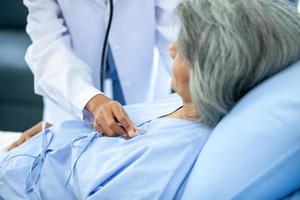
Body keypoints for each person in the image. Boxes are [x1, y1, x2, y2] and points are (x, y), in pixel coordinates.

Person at [2, 0, 300, 198]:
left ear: (209, 67)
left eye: (183, 49)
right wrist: (60, 133)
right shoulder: (175, 109)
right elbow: (48, 41)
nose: (173, 50)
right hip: (41, 147)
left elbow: (177, 23)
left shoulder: (161, 157)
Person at [21, 0, 181, 137]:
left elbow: (176, 28)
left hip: (142, 77)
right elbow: (48, 43)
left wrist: (197, 86)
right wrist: (89, 99)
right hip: (71, 91)